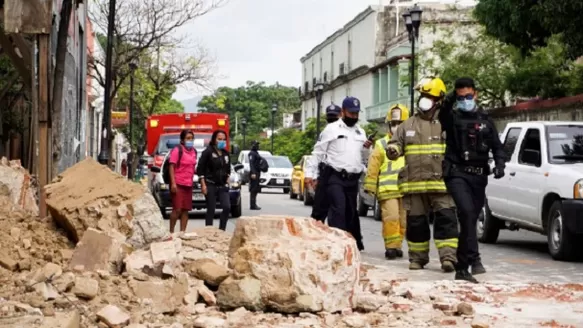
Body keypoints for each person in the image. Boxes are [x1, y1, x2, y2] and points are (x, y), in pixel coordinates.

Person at [385, 77, 458, 272]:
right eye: (422, 96)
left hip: (441, 184)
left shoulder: (448, 123)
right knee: (416, 224)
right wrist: (392, 149)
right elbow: (395, 144)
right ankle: (417, 259)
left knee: (446, 222)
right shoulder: (407, 125)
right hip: (414, 184)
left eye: (428, 96)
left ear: (439, 100)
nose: (423, 100)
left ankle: (448, 258)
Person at [439, 77, 506, 283]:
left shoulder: (485, 119)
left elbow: (497, 145)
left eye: (469, 96)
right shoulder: (453, 118)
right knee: (467, 213)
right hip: (457, 174)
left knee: (471, 219)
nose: (466, 100)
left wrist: (501, 164)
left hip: (479, 176)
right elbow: (442, 115)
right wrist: (450, 98)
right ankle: (463, 267)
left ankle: (471, 260)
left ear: (475, 94)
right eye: (461, 97)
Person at [305, 96, 373, 251]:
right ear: (343, 112)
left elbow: (363, 158)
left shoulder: (360, 132)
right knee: (338, 208)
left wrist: (366, 148)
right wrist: (310, 173)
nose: (354, 117)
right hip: (335, 176)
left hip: (352, 179)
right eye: (351, 113)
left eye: (356, 114)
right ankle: (337, 245)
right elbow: (318, 152)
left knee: (350, 212)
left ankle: (350, 243)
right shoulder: (332, 129)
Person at [364, 104, 408, 260]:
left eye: (400, 124)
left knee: (403, 221)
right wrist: (370, 185)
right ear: (389, 124)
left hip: (405, 189)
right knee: (391, 218)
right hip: (387, 189)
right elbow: (373, 165)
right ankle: (390, 247)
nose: (396, 127)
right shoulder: (381, 144)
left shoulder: (410, 143)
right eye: (394, 124)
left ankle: (397, 245)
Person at [310, 103, 342, 222]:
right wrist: (314, 176)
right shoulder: (325, 133)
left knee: (338, 213)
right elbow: (318, 154)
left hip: (341, 175)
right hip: (325, 173)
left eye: (335, 116)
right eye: (330, 116)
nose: (332, 119)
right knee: (318, 213)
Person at [197, 130, 232, 231]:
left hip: (222, 185)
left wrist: (228, 177)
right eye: (219, 139)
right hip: (210, 184)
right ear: (214, 139)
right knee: (211, 209)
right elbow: (200, 170)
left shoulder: (226, 153)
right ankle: (209, 231)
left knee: (227, 207)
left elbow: (228, 168)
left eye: (224, 139)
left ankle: (222, 230)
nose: (222, 141)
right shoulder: (207, 152)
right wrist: (203, 185)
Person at [168, 129, 198, 233]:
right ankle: (171, 231)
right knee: (177, 209)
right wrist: (173, 183)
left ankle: (182, 232)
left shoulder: (194, 151)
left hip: (188, 184)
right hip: (178, 183)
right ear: (182, 140)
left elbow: (193, 167)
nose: (190, 140)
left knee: (185, 210)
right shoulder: (177, 150)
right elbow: (171, 166)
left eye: (192, 138)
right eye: (188, 138)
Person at [248, 141, 263, 210]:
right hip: (254, 173)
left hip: (257, 172)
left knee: (256, 189)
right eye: (256, 145)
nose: (257, 146)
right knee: (253, 189)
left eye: (258, 145)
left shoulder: (256, 153)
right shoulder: (251, 153)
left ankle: (254, 204)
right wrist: (253, 173)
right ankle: (252, 205)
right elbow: (251, 164)